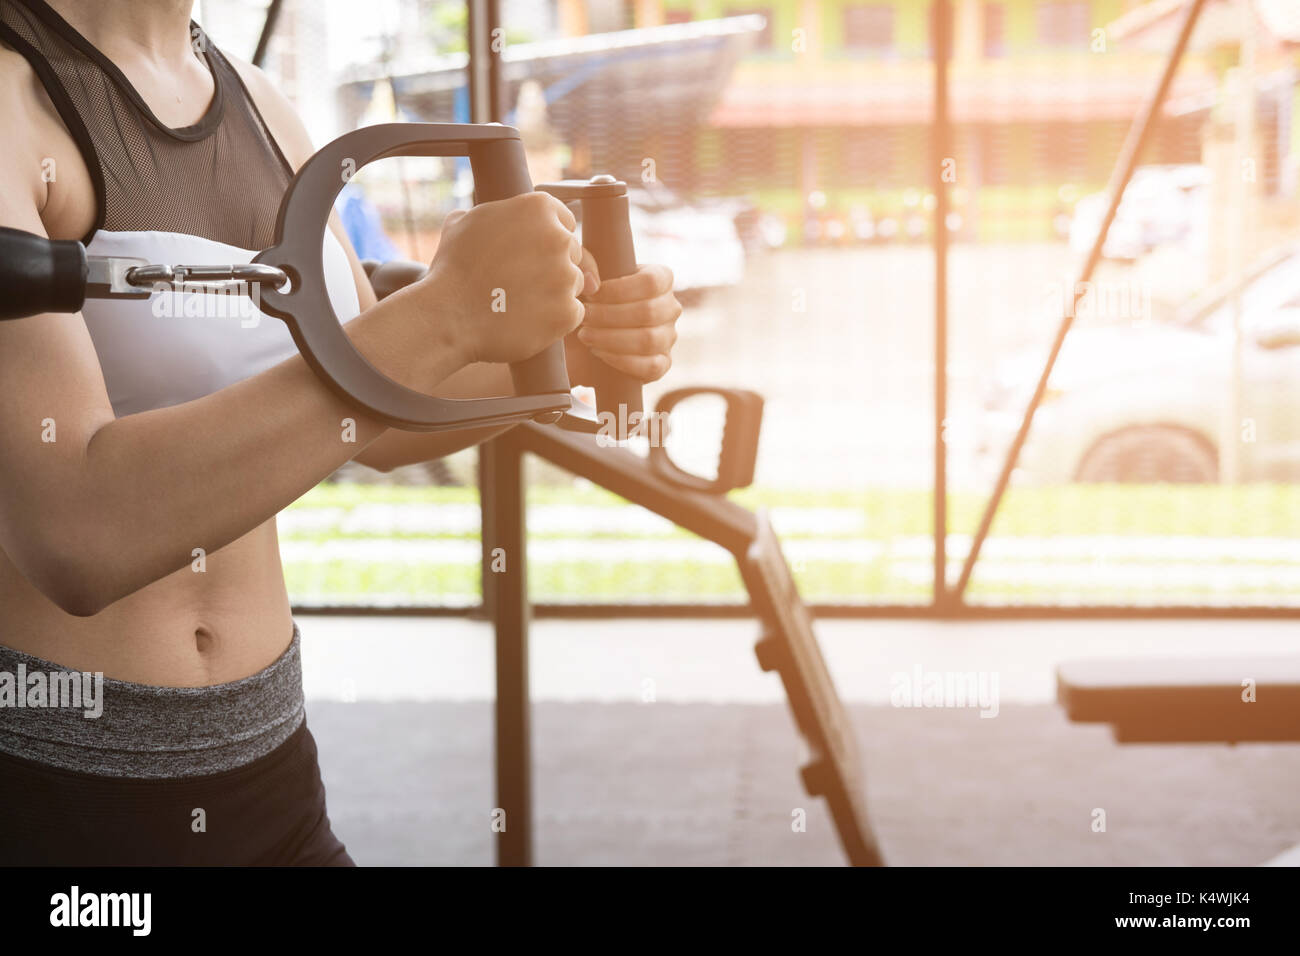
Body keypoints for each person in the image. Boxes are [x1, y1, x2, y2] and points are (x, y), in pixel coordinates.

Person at [0, 0, 680, 865]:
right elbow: (75, 531)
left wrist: (567, 339)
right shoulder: (11, 99)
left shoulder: (258, 104)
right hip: (56, 785)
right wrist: (447, 314)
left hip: (269, 765)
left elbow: (375, 410)